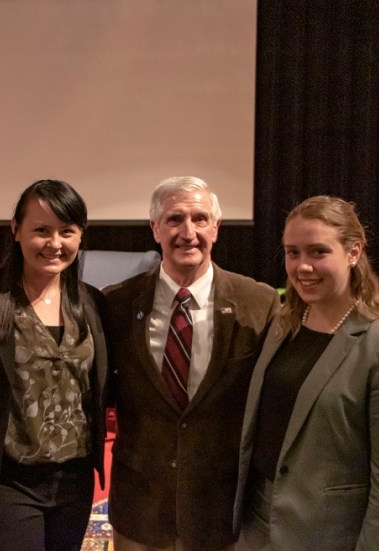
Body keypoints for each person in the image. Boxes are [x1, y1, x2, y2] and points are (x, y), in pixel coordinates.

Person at [233, 195, 379, 551]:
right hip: (258, 524)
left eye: (318, 252)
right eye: (293, 252)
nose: (302, 266)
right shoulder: (283, 324)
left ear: (353, 253)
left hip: (326, 535)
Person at [104, 176, 280, 551]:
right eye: (174, 219)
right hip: (141, 507)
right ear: (154, 228)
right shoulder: (116, 304)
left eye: (200, 219)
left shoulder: (259, 304)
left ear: (216, 228)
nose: (188, 232)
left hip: (221, 510)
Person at [0, 180, 109, 551]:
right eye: (41, 230)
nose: (55, 243)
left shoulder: (91, 303)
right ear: (15, 230)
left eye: (67, 231)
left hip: (72, 484)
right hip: (5, 484)